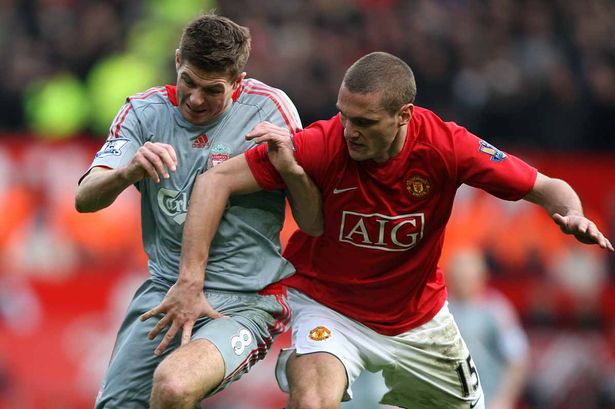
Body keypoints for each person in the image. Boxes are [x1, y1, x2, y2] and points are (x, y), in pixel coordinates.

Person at [168, 51, 613, 409]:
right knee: (312, 400)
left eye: (364, 123)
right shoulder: (322, 143)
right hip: (328, 306)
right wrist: (191, 278)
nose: (348, 131)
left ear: (403, 115)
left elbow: (546, 186)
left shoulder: (447, 147)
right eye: (344, 115)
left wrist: (572, 214)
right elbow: (216, 179)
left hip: (417, 321)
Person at [75, 13, 322, 409]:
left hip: (247, 300)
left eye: (213, 90)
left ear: (238, 83)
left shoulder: (271, 111)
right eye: (188, 81)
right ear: (177, 61)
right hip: (167, 292)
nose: (195, 99)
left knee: (174, 386)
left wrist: (291, 169)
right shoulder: (143, 113)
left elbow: (312, 221)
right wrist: (128, 171)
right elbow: (85, 198)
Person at [446, 247, 530, 409]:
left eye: (467, 275)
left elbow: (517, 359)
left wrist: (504, 399)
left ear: (481, 276)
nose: (462, 280)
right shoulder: (440, 311)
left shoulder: (496, 310)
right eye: (459, 275)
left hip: (487, 400)